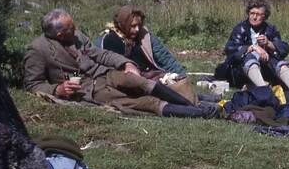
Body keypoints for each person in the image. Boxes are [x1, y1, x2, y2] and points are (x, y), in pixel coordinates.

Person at [23, 9, 216, 118]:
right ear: (59, 34)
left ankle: (195, 106)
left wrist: (126, 64)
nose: (76, 29)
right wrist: (57, 89)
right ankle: (199, 113)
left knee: (142, 83)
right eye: (70, 28)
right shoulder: (38, 49)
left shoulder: (77, 36)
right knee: (143, 102)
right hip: (89, 89)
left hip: (106, 74)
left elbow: (100, 54)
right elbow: (33, 84)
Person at [217, 0, 289, 90]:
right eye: (252, 13)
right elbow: (230, 49)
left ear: (264, 16)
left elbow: (284, 49)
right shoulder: (240, 28)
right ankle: (263, 89)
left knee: (279, 63)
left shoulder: (270, 29)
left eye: (258, 14)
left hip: (265, 69)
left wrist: (269, 43)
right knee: (249, 58)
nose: (254, 17)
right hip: (241, 71)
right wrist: (253, 47)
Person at [98, 5, 186, 76]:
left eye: (139, 25)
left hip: (150, 77)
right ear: (123, 25)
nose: (137, 29)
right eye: (133, 26)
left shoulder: (146, 37)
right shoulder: (108, 40)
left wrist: (181, 75)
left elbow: (165, 58)